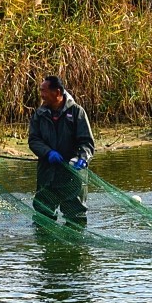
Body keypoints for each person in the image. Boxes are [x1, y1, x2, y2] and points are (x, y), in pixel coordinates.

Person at [27, 74, 94, 227]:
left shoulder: (77, 112)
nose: (41, 95)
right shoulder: (39, 114)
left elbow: (87, 142)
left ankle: (74, 248)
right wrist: (48, 152)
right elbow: (33, 140)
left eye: (44, 91)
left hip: (73, 174)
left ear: (57, 92)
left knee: (75, 217)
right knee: (43, 215)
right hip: (47, 173)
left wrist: (82, 158)